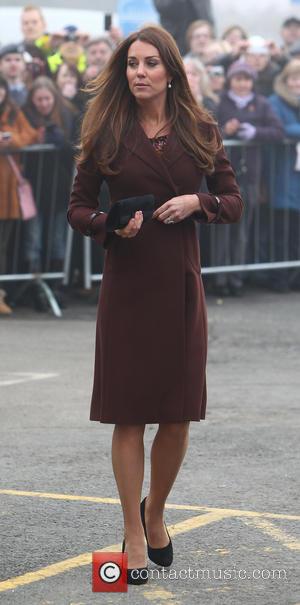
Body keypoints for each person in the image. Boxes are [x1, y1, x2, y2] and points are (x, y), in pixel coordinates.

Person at [67, 25, 243, 585]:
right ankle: (133, 532)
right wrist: (108, 224)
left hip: (180, 286)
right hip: (128, 285)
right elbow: (77, 207)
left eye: (149, 64)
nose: (138, 73)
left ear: (170, 71)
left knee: (177, 413)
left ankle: (157, 511)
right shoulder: (106, 131)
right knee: (128, 413)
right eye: (131, 64)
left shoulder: (201, 128)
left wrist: (199, 201)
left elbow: (235, 202)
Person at [215, 60, 284, 296]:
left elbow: (277, 131)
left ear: (252, 82)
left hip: (251, 177)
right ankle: (220, 277)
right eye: (237, 79)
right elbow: (209, 134)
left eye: (246, 79)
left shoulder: (262, 104)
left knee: (243, 230)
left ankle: (236, 278)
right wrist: (227, 131)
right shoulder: (220, 103)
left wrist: (256, 133)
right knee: (222, 230)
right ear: (230, 80)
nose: (242, 84)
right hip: (223, 178)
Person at [0, 75, 40, 314]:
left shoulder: (14, 114)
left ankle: (1, 295)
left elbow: (31, 136)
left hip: (7, 190)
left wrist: (10, 140)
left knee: (3, 246)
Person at [268, 59, 300, 291]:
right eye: (293, 78)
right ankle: (279, 278)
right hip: (283, 178)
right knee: (282, 235)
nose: (297, 83)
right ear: (285, 81)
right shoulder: (275, 102)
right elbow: (278, 129)